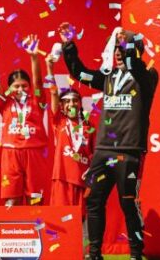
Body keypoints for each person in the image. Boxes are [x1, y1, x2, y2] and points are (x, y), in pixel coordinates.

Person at [58, 23, 159, 260]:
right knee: (94, 200)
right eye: (115, 48)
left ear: (134, 49)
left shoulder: (147, 75)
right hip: (103, 151)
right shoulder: (107, 77)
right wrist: (68, 45)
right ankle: (94, 254)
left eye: (122, 48)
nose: (117, 52)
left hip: (129, 151)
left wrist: (126, 44)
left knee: (128, 204)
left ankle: (136, 255)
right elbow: (79, 73)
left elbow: (135, 65)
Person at [0, 34, 51, 206]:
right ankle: (12, 224)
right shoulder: (4, 103)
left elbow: (39, 81)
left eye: (24, 86)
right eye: (16, 86)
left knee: (35, 198)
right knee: (12, 200)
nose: (21, 89)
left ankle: (36, 223)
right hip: (10, 153)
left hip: (34, 152)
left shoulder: (37, 100)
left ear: (30, 87)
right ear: (9, 88)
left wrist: (34, 57)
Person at [46, 52, 95, 216]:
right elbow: (53, 93)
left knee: (81, 221)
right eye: (66, 101)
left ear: (80, 104)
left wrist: (91, 180)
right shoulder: (58, 121)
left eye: (75, 100)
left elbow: (94, 156)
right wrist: (49, 67)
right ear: (61, 106)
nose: (71, 104)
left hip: (82, 181)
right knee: (61, 219)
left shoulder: (88, 127)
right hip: (62, 179)